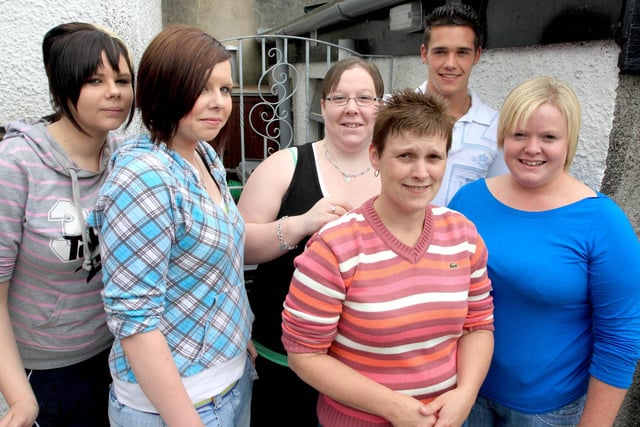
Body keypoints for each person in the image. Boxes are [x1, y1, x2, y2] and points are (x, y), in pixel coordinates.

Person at [281, 88, 495, 427]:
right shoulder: (334, 248)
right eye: (406, 156)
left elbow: (478, 326)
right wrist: (394, 408)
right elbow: (304, 354)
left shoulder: (463, 236)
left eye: (434, 157)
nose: (421, 172)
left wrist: (466, 393)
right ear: (376, 157)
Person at [86, 25, 257, 427]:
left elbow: (217, 266)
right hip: (178, 408)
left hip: (228, 382)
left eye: (226, 90)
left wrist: (237, 330)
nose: (219, 104)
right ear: (167, 87)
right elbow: (134, 319)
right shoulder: (146, 177)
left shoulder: (203, 155)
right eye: (203, 89)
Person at [448, 76, 640, 426]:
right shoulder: (469, 200)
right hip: (463, 392)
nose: (531, 148)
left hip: (546, 411)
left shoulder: (602, 222)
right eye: (519, 134)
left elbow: (621, 339)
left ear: (569, 143)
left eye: (548, 137)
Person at [237, 56, 384, 425]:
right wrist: (301, 224)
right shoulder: (286, 165)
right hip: (284, 360)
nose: (352, 109)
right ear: (322, 106)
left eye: (365, 98)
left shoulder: (395, 172)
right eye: (339, 98)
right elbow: (237, 244)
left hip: (364, 367)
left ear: (379, 107)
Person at [0, 22, 134, 427]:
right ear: (62, 88)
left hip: (116, 356)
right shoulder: (15, 165)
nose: (114, 91)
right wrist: (21, 400)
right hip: (43, 372)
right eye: (95, 80)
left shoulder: (126, 160)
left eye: (123, 80)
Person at [419, 3, 508, 206]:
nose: (450, 63)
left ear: (477, 55)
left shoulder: (497, 128)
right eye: (440, 52)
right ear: (424, 53)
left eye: (462, 52)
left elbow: (500, 200)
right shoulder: (389, 112)